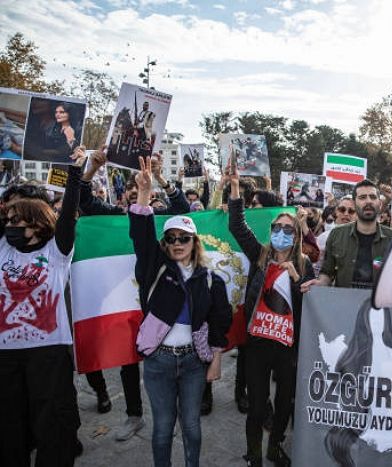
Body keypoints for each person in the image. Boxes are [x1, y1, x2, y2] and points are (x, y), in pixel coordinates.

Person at [79, 147, 190, 441]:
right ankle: (134, 416)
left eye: (139, 187)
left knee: (168, 360)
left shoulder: (162, 219)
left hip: (157, 301)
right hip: (122, 301)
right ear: (123, 195)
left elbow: (184, 211)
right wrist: (89, 171)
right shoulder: (113, 216)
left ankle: (173, 414)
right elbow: (82, 200)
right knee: (127, 358)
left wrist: (161, 179)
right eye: (129, 188)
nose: (134, 191)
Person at [129, 156, 231, 467]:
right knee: (162, 429)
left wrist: (215, 361)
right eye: (171, 238)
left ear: (194, 241)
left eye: (184, 238)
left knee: (192, 427)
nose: (177, 243)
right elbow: (141, 236)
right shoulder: (154, 268)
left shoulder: (211, 278)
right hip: (158, 361)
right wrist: (144, 195)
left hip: (192, 363)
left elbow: (219, 322)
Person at [224, 160, 315, 467]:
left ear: (296, 235)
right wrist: (235, 187)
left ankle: (275, 446)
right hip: (259, 344)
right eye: (277, 227)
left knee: (284, 403)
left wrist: (296, 278)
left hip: (288, 347)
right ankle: (253, 454)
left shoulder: (305, 265)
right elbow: (237, 226)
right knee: (258, 405)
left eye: (288, 229)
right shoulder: (260, 255)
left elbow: (310, 303)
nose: (281, 232)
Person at [0, 146, 85, 466]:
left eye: (18, 221)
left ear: (37, 222)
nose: (11, 226)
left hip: (48, 352)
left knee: (52, 424)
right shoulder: (2, 247)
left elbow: (69, 211)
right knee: (9, 424)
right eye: (7, 219)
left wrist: (75, 170)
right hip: (5, 354)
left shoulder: (57, 250)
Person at [302, 179, 392, 290]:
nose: (368, 201)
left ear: (379, 204)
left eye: (373, 197)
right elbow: (327, 273)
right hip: (345, 304)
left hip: (379, 305)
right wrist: (319, 284)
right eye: (362, 197)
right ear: (355, 204)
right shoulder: (336, 235)